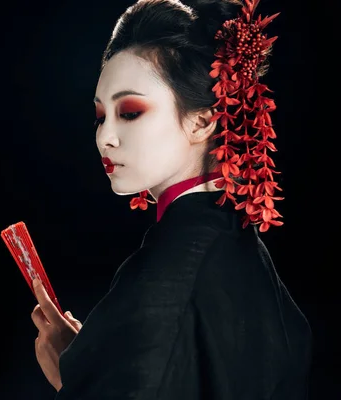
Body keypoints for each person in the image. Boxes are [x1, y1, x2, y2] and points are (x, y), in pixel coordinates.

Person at [29, 0, 313, 398]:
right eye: (100, 115)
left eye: (129, 112)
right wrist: (94, 360)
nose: (104, 137)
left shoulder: (165, 277)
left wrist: (73, 375)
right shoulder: (241, 248)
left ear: (202, 121)